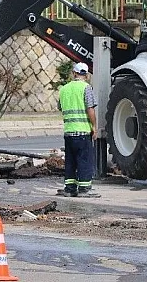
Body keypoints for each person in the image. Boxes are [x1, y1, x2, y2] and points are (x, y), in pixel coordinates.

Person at [57, 62, 99, 198]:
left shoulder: (63, 89)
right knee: (84, 160)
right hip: (82, 131)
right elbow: (90, 109)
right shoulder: (86, 88)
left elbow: (60, 107)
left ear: (73, 73)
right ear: (86, 75)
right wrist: (94, 126)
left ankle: (69, 188)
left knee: (70, 161)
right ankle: (84, 189)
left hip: (68, 132)